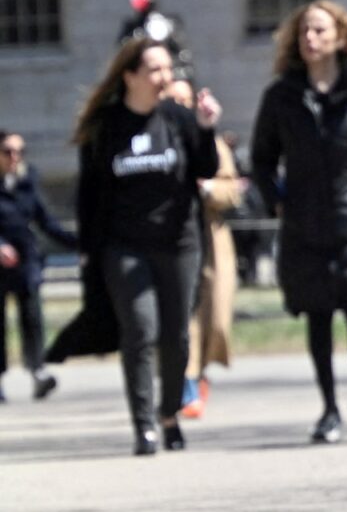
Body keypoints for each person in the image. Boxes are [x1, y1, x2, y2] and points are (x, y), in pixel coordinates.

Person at [251, 0, 347, 443]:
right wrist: (275, 199)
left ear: (340, 37)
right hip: (304, 224)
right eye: (304, 32)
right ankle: (329, 409)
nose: (311, 39)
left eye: (319, 31)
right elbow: (262, 158)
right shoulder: (282, 96)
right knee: (317, 317)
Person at [74, 37, 221, 455]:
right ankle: (144, 426)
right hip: (125, 247)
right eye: (155, 69)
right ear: (130, 76)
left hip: (179, 243)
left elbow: (206, 168)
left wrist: (207, 127)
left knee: (175, 337)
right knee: (140, 331)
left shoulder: (178, 118)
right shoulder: (106, 128)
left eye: (167, 69)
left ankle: (169, 412)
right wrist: (89, 250)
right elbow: (90, 193)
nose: (165, 77)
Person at [164, 80, 240, 418]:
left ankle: (199, 371)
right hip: (174, 242)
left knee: (216, 319)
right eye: (173, 99)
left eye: (186, 99)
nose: (181, 105)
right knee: (183, 316)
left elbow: (232, 190)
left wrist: (207, 187)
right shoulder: (159, 139)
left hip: (210, 241)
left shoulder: (209, 141)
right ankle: (187, 383)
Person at [0, 130, 77, 402]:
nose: (14, 157)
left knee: (32, 317)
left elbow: (47, 222)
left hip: (25, 260)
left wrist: (81, 242)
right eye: (7, 152)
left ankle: (38, 370)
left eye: (19, 152)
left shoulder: (27, 181)